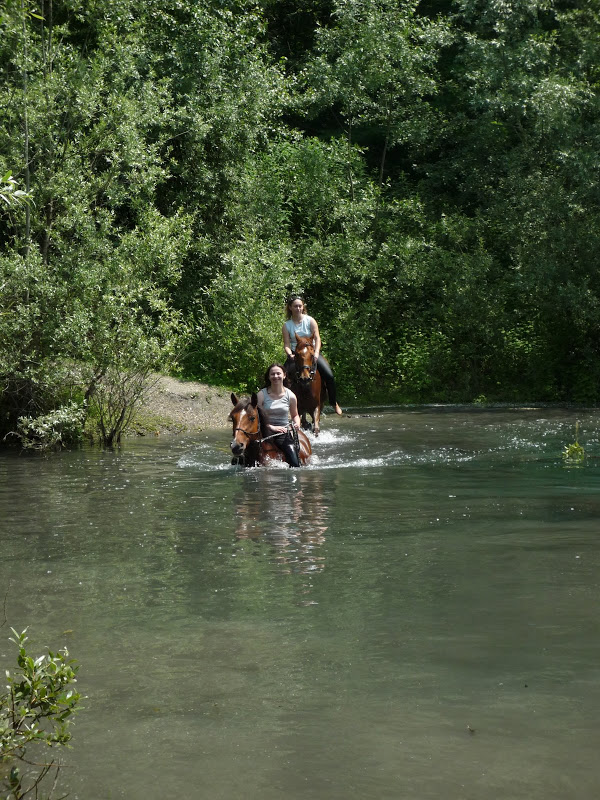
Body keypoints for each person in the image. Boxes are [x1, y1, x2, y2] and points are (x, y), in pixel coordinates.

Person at [282, 295, 343, 415]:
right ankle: (283, 405)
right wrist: (290, 354)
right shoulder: (287, 325)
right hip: (296, 354)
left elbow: (317, 338)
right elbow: (287, 344)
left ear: (303, 306)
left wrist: (316, 353)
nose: (298, 308)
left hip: (311, 353)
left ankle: (333, 402)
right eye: (295, 306)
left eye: (300, 306)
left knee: (329, 376)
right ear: (290, 308)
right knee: (282, 377)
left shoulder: (310, 320)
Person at [257, 363, 302, 467]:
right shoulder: (261, 394)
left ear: (284, 375)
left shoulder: (290, 396)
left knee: (295, 463)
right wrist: (271, 427)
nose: (275, 376)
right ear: (268, 377)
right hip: (263, 430)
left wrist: (297, 424)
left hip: (282, 432)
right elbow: (257, 417)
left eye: (278, 373)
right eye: (272, 374)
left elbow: (295, 415)